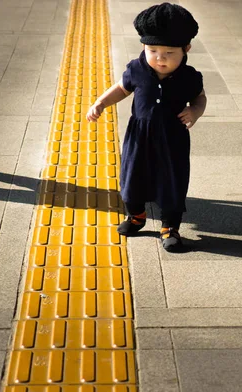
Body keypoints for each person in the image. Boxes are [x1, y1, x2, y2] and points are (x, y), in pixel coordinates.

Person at [86, 2, 207, 252]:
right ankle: (137, 215)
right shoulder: (137, 69)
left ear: (186, 49)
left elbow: (200, 97)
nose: (160, 58)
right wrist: (101, 102)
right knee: (132, 178)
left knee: (171, 182)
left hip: (172, 139)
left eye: (169, 53)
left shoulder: (190, 76)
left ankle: (170, 227)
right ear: (144, 46)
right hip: (139, 137)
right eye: (153, 50)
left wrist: (194, 111)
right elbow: (121, 88)